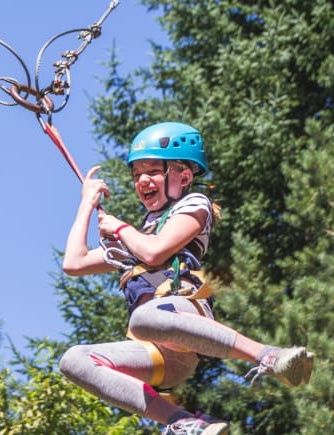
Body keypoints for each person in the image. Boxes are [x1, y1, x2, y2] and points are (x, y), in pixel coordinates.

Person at [59, 122, 314, 435]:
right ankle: (183, 423)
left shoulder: (194, 205)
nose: (142, 181)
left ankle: (269, 356)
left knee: (144, 317)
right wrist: (86, 204)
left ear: (183, 176)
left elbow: (155, 252)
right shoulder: (137, 236)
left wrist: (121, 229)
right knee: (74, 360)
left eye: (152, 171)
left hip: (182, 313)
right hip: (159, 352)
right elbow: (74, 262)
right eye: (137, 174)